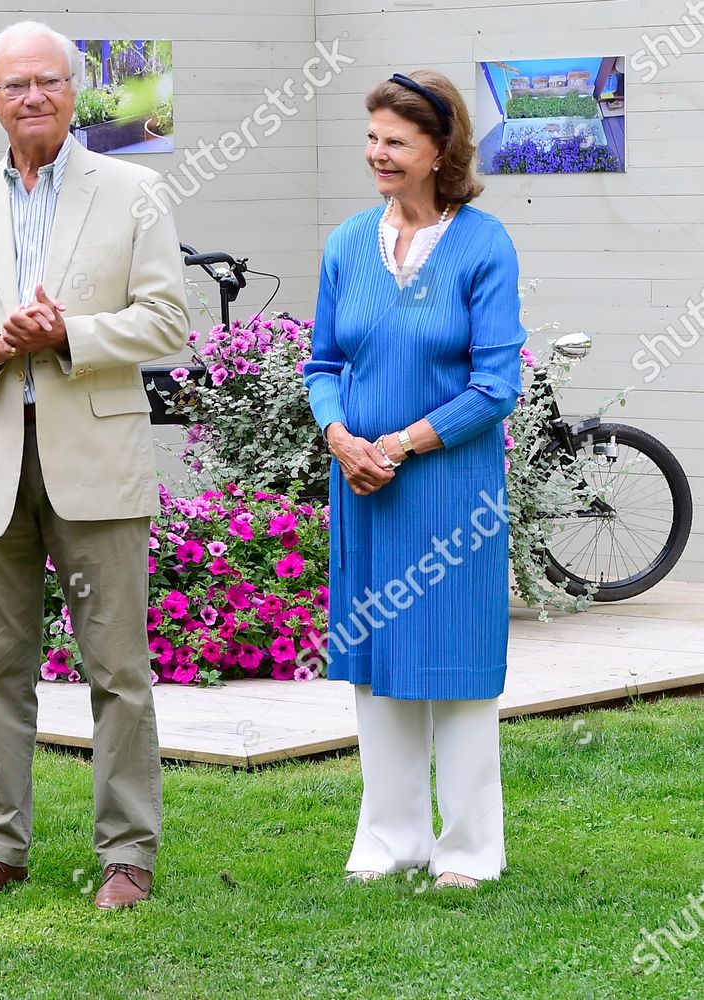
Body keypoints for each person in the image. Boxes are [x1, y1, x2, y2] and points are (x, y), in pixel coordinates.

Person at [0, 21, 189, 910]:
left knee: (117, 670)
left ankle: (128, 857)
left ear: (76, 91)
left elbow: (168, 323)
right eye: (12, 85)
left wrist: (70, 332)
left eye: (47, 81)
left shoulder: (135, 192)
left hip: (95, 461)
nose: (31, 97)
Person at [302, 70, 526, 889]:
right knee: (378, 662)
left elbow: (497, 385)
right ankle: (392, 839)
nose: (377, 154)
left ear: (441, 149)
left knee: (459, 667)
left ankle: (469, 850)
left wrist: (395, 444)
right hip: (362, 488)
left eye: (395, 141)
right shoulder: (345, 243)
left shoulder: (483, 243)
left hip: (450, 491)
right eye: (372, 138)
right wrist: (340, 437)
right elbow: (323, 361)